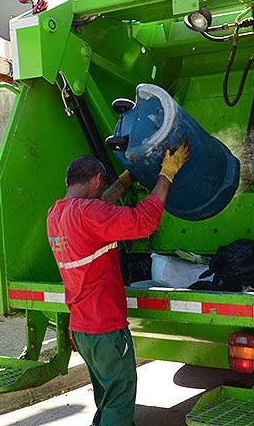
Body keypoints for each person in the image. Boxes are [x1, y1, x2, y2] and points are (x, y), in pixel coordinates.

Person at [46, 143, 189, 426]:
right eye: (103, 185)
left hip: (83, 329)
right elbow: (144, 221)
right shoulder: (90, 215)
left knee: (107, 399)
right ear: (97, 180)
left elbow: (98, 208)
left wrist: (124, 182)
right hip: (106, 328)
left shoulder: (56, 214)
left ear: (68, 181)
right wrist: (167, 174)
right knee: (120, 404)